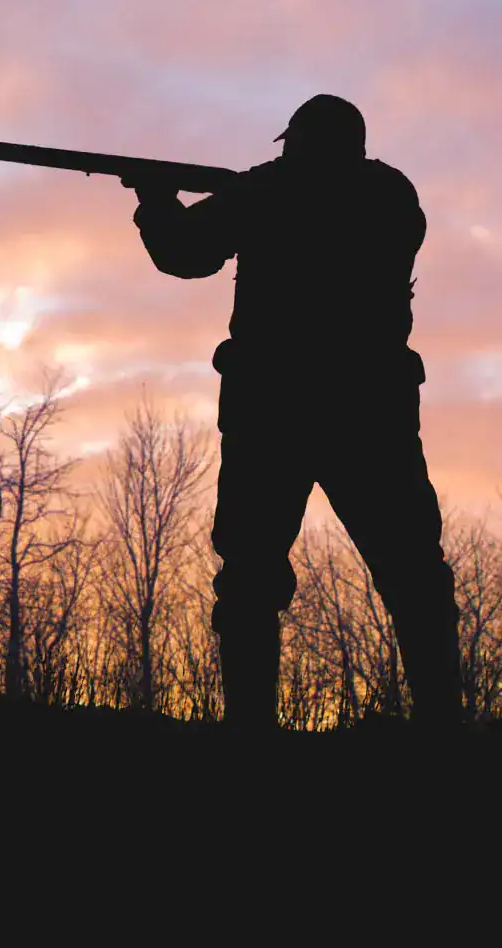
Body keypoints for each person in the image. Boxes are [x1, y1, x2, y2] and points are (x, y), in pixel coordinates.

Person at [127, 94, 463, 731]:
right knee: (413, 572)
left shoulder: (270, 192)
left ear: (300, 143)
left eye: (292, 145)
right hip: (370, 411)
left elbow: (187, 255)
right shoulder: (390, 196)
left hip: (274, 411)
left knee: (252, 575)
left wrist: (156, 201)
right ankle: (443, 729)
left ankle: (251, 735)